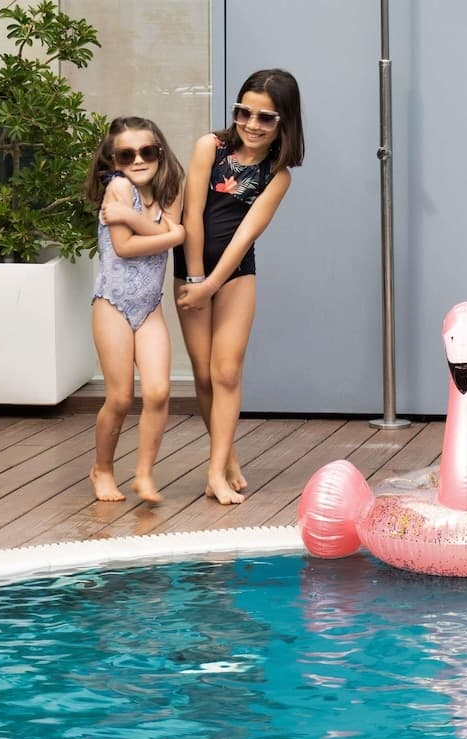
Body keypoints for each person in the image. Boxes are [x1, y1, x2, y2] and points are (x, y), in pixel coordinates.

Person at [173, 68, 305, 505]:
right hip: (192, 268)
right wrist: (197, 280)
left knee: (226, 372)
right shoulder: (210, 147)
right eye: (244, 112)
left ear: (284, 122)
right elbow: (192, 215)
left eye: (265, 117)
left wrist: (214, 284)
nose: (252, 124)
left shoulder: (277, 175)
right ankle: (226, 456)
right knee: (204, 375)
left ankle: (215, 472)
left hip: (235, 272)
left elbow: (246, 234)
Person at [84, 117, 186, 503]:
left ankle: (144, 474)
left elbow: (173, 233)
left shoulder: (171, 187)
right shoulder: (119, 188)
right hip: (112, 303)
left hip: (148, 308)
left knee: (159, 391)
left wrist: (134, 219)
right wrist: (171, 234)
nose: (139, 160)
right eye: (127, 155)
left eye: (147, 151)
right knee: (121, 397)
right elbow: (125, 247)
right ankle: (102, 468)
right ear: (113, 160)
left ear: (160, 152)